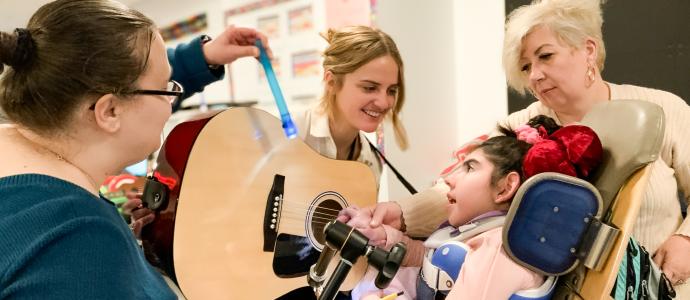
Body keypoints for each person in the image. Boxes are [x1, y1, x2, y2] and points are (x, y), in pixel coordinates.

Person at [339, 0, 690, 296]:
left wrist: (685, 240)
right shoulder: (521, 127)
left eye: (545, 56)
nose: (534, 75)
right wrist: (401, 212)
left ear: (588, 50)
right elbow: (461, 186)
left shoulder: (663, 110)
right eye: (525, 67)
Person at [127, 25, 409, 237]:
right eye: (370, 87)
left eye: (391, 90)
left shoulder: (371, 162)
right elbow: (219, 198)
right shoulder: (288, 133)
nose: (384, 102)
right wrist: (167, 211)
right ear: (331, 81)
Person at [0, 0, 180, 297]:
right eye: (165, 88)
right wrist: (105, 255)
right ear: (109, 111)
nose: (170, 103)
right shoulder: (78, 237)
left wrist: (131, 261)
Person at [347, 116, 602, 299]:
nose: (448, 179)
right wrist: (387, 239)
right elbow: (427, 261)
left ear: (505, 187)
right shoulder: (476, 236)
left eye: (470, 168)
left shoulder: (500, 250)